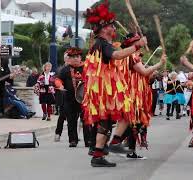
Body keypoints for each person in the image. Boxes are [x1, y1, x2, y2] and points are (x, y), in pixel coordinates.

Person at [83, 1, 147, 167]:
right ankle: (114, 144)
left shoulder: (100, 44)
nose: (114, 28)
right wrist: (137, 46)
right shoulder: (102, 44)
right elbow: (117, 56)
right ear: (105, 28)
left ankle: (98, 155)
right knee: (126, 113)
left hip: (103, 90)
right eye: (112, 26)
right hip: (104, 91)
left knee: (105, 122)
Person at [119, 32, 166, 159]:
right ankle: (117, 143)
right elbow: (144, 72)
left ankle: (129, 150)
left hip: (131, 93)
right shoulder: (132, 56)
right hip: (133, 94)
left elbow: (141, 75)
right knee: (136, 122)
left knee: (135, 123)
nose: (140, 43)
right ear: (133, 44)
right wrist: (159, 63)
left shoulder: (126, 56)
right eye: (137, 41)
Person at [55, 47, 90, 147]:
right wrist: (60, 85)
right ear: (69, 58)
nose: (75, 59)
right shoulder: (65, 70)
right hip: (69, 99)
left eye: (77, 57)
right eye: (73, 57)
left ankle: (88, 141)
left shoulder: (87, 67)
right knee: (71, 120)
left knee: (86, 121)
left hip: (85, 99)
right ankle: (73, 140)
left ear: (80, 58)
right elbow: (58, 79)